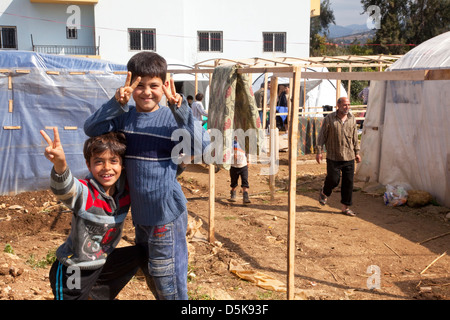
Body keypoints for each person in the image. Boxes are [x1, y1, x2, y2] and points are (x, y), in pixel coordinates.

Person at [83, 51, 210, 300]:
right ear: (129, 85)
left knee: (168, 279)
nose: (146, 92)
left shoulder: (172, 120)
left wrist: (181, 110)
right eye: (139, 86)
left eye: (154, 85)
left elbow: (203, 149)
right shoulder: (125, 118)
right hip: (141, 216)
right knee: (152, 274)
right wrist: (116, 103)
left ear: (165, 86)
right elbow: (91, 128)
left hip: (166, 215)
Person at [40, 127, 143, 300]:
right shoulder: (86, 193)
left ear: (122, 164)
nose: (107, 168)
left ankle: (95, 295)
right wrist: (60, 165)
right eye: (99, 162)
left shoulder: (125, 191)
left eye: (113, 161)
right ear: (89, 164)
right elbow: (65, 189)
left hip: (100, 264)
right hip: (73, 269)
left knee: (139, 253)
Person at [315, 97, 361, 217]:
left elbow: (355, 137)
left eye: (349, 105)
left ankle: (345, 207)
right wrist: (319, 151)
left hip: (349, 156)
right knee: (333, 179)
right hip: (333, 156)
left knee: (348, 183)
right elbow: (322, 136)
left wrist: (357, 152)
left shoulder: (352, 119)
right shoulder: (329, 119)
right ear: (338, 106)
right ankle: (325, 192)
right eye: (345, 105)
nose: (347, 107)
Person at [229, 137, 251, 204]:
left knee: (245, 181)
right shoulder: (231, 144)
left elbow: (248, 152)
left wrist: (248, 161)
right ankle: (233, 192)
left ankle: (245, 196)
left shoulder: (244, 143)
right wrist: (232, 156)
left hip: (243, 165)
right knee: (234, 181)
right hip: (234, 166)